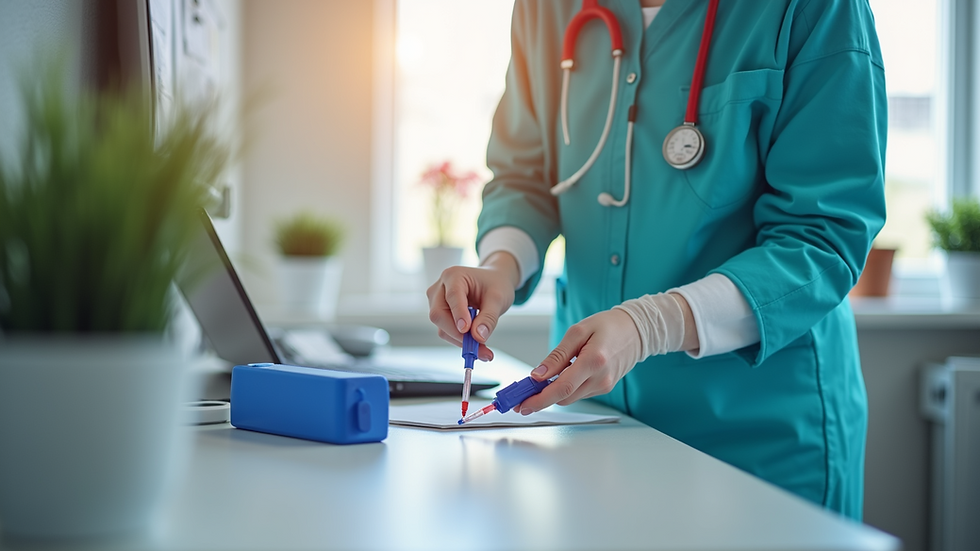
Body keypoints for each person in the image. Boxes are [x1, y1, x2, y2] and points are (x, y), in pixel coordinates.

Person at [426, 0, 885, 520]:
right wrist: (502, 264)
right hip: (592, 425)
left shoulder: (815, 10)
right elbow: (525, 177)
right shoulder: (543, 9)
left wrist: (652, 324)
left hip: (759, 441)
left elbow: (822, 236)